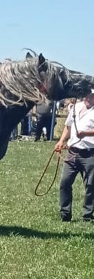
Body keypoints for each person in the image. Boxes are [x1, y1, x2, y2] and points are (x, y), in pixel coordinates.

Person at [54, 86, 94, 222]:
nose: (88, 98)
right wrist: (60, 141)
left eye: (92, 96)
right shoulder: (76, 107)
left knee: (90, 185)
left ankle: (87, 216)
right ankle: (65, 214)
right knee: (65, 182)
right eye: (87, 95)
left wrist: (86, 133)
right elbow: (68, 126)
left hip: (90, 153)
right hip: (73, 151)